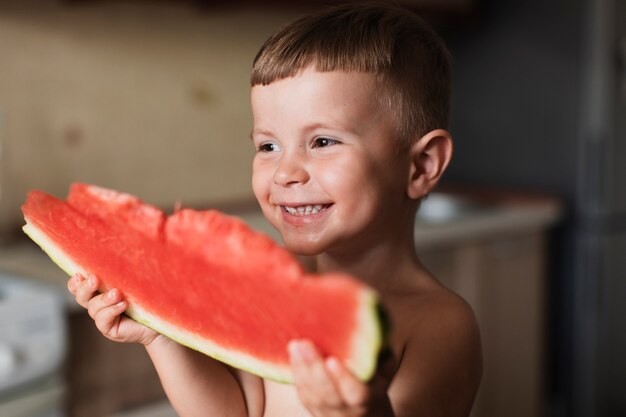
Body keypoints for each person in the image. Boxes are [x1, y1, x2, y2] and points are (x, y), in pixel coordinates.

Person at [68, 2, 482, 416]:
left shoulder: (441, 324)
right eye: (268, 146)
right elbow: (236, 410)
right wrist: (160, 335)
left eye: (322, 141)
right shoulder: (273, 290)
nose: (285, 172)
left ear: (422, 165)